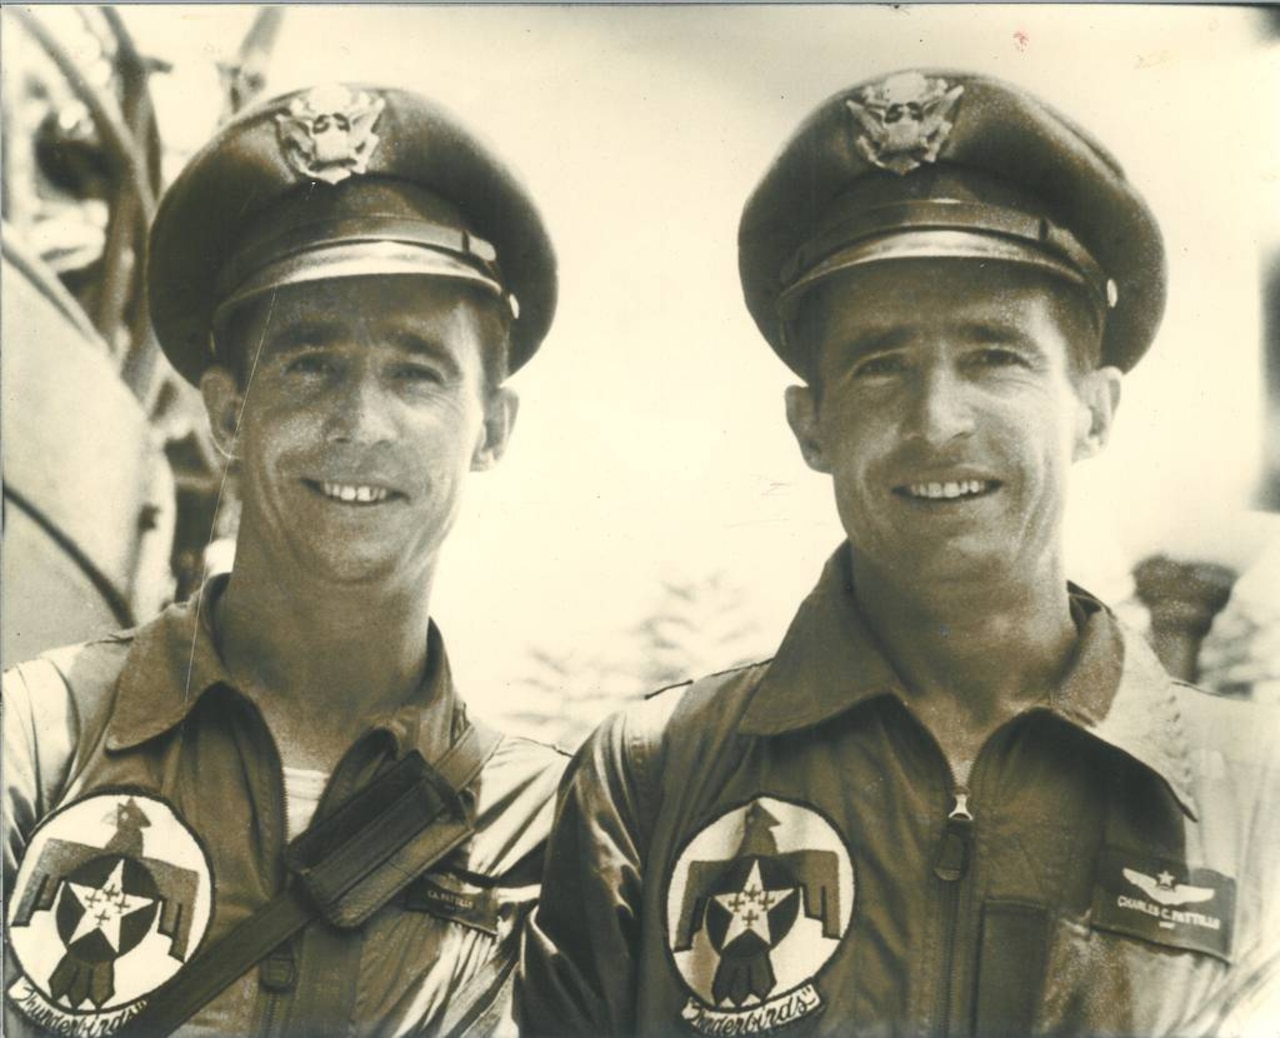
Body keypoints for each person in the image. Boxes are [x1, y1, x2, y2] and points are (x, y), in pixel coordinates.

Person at [519, 70, 1280, 1037]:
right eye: (881, 363)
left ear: (1094, 410)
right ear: (811, 424)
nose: (937, 420)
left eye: (995, 355)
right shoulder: (651, 779)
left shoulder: (1257, 795)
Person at [4, 83, 566, 1038]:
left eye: (416, 372)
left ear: (493, 429)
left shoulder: (552, 832)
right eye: (310, 362)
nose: (359, 425)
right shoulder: (36, 742)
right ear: (228, 413)